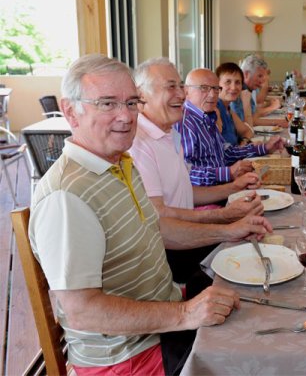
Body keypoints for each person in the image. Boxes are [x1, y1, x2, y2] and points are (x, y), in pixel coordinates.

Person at [28, 54, 269, 374]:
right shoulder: (66, 196)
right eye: (107, 104)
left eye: (131, 103)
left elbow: (157, 228)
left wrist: (229, 230)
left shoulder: (119, 163)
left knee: (258, 316)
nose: (126, 116)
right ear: (71, 110)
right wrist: (185, 314)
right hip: (130, 357)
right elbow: (83, 312)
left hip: (163, 318)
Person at [130, 58, 268, 285]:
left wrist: (234, 186)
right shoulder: (139, 143)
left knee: (258, 244)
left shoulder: (169, 133)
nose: (181, 95)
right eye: (170, 86)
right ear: (141, 95)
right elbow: (159, 217)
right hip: (168, 256)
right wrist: (225, 219)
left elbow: (186, 190)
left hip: (185, 237)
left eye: (180, 86)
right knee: (249, 263)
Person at [180, 68, 285, 187]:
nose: (212, 94)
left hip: (223, 187)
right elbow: (185, 174)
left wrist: (264, 148)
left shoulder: (207, 116)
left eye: (215, 89)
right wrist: (228, 173)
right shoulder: (185, 122)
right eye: (204, 88)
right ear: (186, 91)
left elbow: (224, 154)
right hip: (209, 197)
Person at [232, 54, 284, 127]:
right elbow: (245, 122)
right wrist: (277, 121)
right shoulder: (237, 91)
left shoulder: (247, 89)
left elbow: (254, 113)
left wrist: (280, 122)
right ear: (246, 74)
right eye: (259, 76)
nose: (262, 80)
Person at [215, 62, 254, 146]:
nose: (233, 87)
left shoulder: (227, 108)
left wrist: (244, 142)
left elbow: (248, 131)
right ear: (217, 85)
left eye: (237, 82)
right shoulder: (215, 109)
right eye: (228, 82)